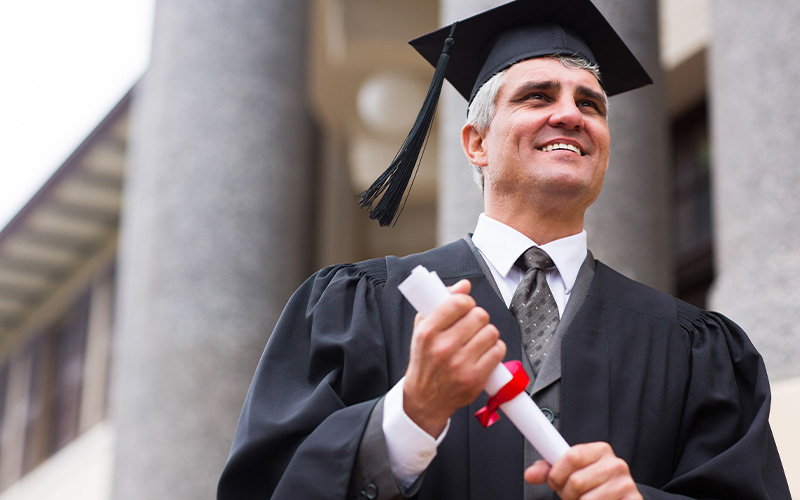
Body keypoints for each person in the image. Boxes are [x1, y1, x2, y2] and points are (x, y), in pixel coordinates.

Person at [217, 1, 790, 499]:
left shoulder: (694, 349)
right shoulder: (358, 311)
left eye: (590, 104)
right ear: (476, 142)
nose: (570, 114)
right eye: (538, 96)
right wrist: (408, 417)